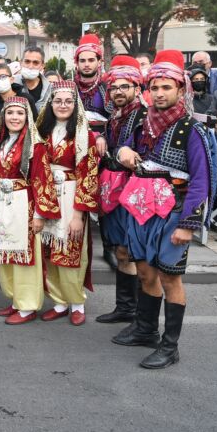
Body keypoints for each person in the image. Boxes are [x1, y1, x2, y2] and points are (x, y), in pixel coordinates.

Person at [112, 50, 213, 369]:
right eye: (154, 87)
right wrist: (124, 150)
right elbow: (122, 149)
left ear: (180, 90)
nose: (159, 93)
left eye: (166, 87)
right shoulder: (143, 123)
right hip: (140, 212)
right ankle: (145, 330)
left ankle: (170, 347)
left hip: (172, 214)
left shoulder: (191, 130)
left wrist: (188, 224)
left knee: (170, 280)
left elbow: (201, 181)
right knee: (143, 271)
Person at [0, 96, 60, 324]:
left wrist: (40, 214)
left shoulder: (35, 146)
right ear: (3, 117)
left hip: (23, 206)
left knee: (24, 257)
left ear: (27, 116)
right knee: (5, 255)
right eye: (10, 113)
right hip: (2, 205)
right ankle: (15, 299)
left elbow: (42, 180)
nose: (15, 117)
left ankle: (27, 306)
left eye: (20, 113)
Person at [36, 81, 99, 326]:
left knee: (72, 252)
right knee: (50, 253)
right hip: (47, 196)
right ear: (50, 104)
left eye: (68, 101)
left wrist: (78, 215)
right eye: (58, 101)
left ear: (76, 104)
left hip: (71, 197)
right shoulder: (41, 131)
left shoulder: (85, 134)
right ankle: (59, 302)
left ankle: (77, 303)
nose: (63, 105)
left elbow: (89, 176)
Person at [96, 55, 148, 324]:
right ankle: (125, 309)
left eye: (124, 86)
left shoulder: (144, 117)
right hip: (113, 193)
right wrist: (103, 136)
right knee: (121, 251)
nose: (118, 91)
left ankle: (141, 316)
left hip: (135, 194)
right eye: (114, 87)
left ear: (137, 89)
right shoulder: (114, 117)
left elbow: (148, 156)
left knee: (137, 253)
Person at [73, 34, 111, 141]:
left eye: (91, 60)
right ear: (77, 62)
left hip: (103, 141)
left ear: (99, 62)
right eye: (82, 60)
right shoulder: (70, 88)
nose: (86, 64)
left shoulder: (108, 88)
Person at [15, 46, 52, 113]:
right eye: (27, 61)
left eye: (35, 63)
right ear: (21, 63)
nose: (30, 66)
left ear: (42, 66)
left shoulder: (51, 89)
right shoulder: (10, 84)